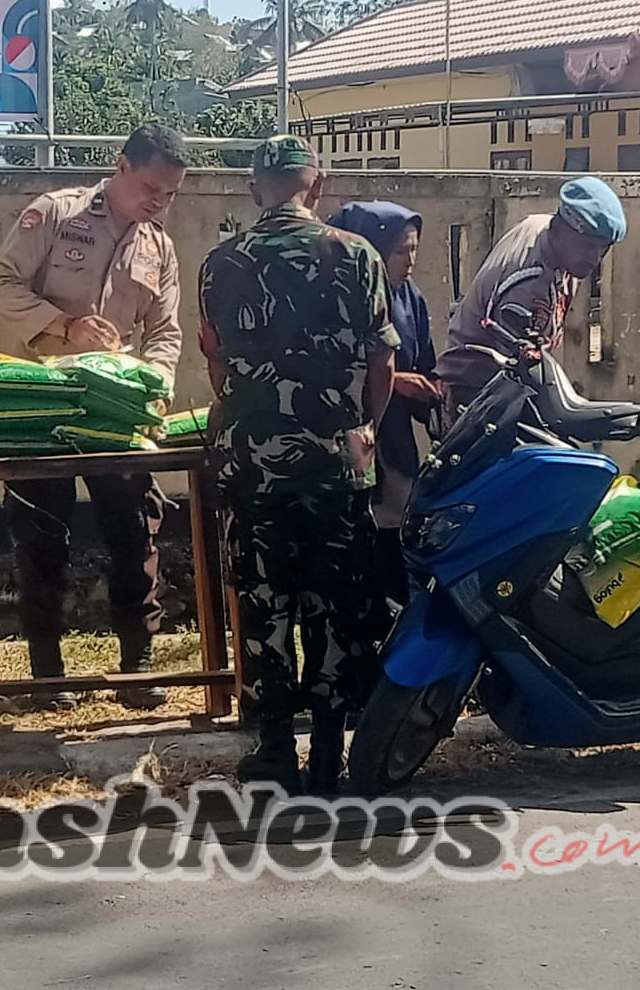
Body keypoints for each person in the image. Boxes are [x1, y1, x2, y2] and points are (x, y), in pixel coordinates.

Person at [200, 136, 398, 797]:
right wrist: (363, 427)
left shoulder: (220, 264)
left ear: (256, 187)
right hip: (338, 462)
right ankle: (329, 760)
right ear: (317, 186)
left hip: (252, 463)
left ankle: (270, 758)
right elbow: (383, 363)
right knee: (337, 608)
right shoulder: (359, 256)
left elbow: (217, 362)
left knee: (264, 608)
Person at [0, 123, 186, 710]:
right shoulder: (55, 214)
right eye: (152, 187)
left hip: (116, 415)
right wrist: (64, 328)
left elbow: (165, 333)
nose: (159, 202)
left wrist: (156, 389)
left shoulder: (158, 246)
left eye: (170, 194)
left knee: (134, 534)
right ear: (122, 167)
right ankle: (47, 674)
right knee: (42, 538)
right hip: (42, 406)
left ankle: (138, 666)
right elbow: (0, 285)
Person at [435, 176, 628, 417]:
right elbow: (523, 370)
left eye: (604, 248)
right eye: (587, 246)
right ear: (560, 228)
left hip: (495, 388)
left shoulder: (540, 228)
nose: (595, 258)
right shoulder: (530, 287)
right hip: (478, 395)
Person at [325, 201, 439, 609]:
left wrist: (431, 392)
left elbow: (425, 359)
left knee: (397, 529)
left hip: (395, 440)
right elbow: (337, 368)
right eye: (399, 251)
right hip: (352, 439)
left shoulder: (410, 298)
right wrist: (394, 382)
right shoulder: (340, 298)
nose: (410, 261)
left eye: (414, 250)